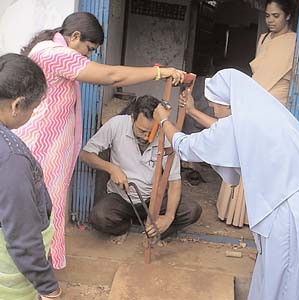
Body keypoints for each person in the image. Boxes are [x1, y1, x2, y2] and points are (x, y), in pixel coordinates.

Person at [14, 12, 185, 269]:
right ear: (74, 37)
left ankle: (39, 269)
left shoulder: (54, 50)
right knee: (38, 211)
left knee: (45, 210)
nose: (87, 57)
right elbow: (112, 76)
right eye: (88, 49)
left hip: (50, 152)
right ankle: (32, 272)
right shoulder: (54, 53)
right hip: (40, 147)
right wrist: (160, 73)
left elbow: (174, 182)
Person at [154, 68, 299, 300]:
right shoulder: (264, 115)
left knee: (286, 283)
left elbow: (186, 147)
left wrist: (164, 120)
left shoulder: (238, 125)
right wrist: (193, 112)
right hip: (298, 203)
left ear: (228, 103)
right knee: (277, 278)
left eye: (215, 104)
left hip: (288, 215)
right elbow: (225, 132)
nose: (214, 109)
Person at [217, 0, 297, 227]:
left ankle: (253, 216)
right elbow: (259, 74)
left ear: (288, 16)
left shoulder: (294, 42)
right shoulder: (263, 39)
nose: (271, 20)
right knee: (243, 152)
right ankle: (231, 212)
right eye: (268, 15)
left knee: (261, 159)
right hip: (254, 99)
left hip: (276, 104)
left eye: (276, 16)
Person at [79, 95, 202, 241]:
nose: (146, 137)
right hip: (121, 198)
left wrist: (169, 217)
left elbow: (174, 181)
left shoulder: (168, 134)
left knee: (192, 211)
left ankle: (155, 228)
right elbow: (85, 154)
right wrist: (112, 168)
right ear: (132, 118)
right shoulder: (117, 124)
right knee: (99, 216)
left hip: (153, 199)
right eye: (141, 131)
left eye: (151, 132)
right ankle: (124, 227)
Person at [0, 54, 61, 299]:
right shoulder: (11, 158)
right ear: (17, 105)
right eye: (34, 108)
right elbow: (22, 236)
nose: (33, 114)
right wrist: (48, 288)